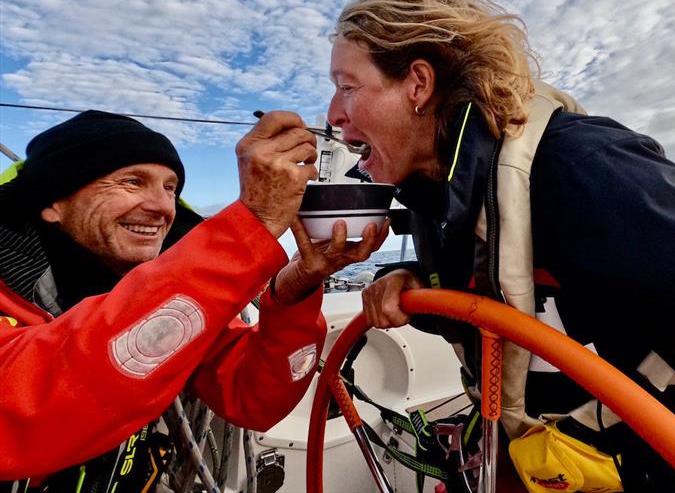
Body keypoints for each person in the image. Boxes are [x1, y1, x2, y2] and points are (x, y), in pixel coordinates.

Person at [325, 0, 675, 492]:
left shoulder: (580, 169)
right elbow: (499, 292)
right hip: (543, 464)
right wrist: (411, 278)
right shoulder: (432, 196)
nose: (332, 116)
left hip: (660, 470)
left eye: (347, 87)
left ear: (417, 83)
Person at [0, 110, 389, 489]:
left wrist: (293, 293)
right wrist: (250, 226)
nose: (161, 207)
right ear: (53, 203)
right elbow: (18, 415)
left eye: (170, 187)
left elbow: (253, 399)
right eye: (132, 182)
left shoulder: (171, 300)